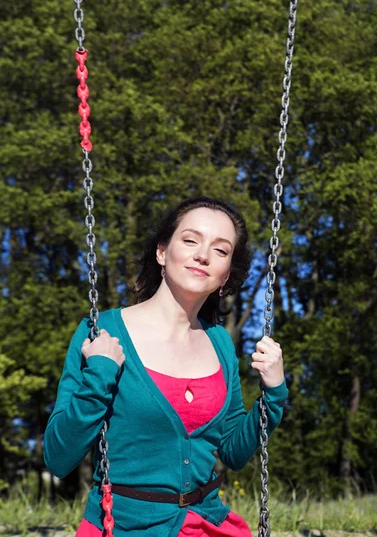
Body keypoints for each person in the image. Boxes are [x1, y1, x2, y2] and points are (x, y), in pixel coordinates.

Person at [43, 195, 288, 537]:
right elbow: (58, 457)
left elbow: (232, 451)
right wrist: (99, 375)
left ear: (225, 274)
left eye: (220, 250)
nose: (202, 255)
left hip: (207, 524)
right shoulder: (101, 333)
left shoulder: (220, 344)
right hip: (124, 526)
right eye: (190, 240)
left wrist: (273, 395)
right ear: (161, 252)